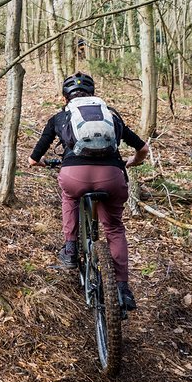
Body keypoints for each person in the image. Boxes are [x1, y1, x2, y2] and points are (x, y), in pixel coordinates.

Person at [26, 72, 149, 311]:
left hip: (75, 175)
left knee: (69, 197)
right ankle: (123, 288)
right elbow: (142, 148)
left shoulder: (60, 118)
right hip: (112, 177)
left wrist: (42, 163)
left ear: (65, 97)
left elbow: (33, 159)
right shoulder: (111, 117)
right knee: (113, 228)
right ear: (93, 95)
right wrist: (133, 162)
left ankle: (70, 249)